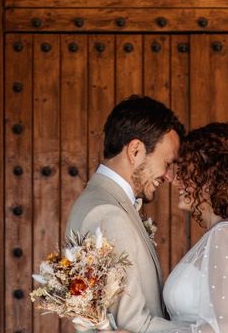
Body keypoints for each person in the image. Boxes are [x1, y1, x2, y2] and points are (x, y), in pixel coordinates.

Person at [115, 122, 228, 333]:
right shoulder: (226, 233)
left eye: (185, 169)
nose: (175, 179)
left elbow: (226, 330)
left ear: (212, 176)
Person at [65, 95, 186, 332]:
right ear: (135, 150)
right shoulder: (108, 213)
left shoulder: (104, 202)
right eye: (167, 162)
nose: (170, 176)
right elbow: (133, 324)